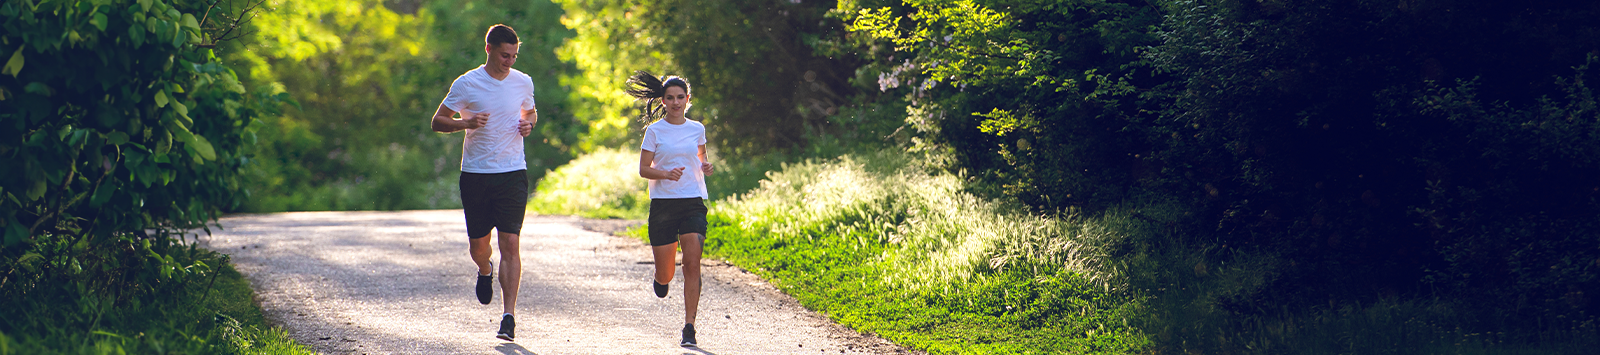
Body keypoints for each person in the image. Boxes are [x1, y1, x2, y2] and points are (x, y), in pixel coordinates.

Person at [429, 24, 537, 342]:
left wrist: (528, 124)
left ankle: (508, 317)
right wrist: (466, 123)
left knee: (511, 244)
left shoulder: (523, 81)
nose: (510, 62)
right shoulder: (467, 84)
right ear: (488, 49)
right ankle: (485, 269)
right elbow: (437, 121)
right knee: (479, 247)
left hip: (513, 173)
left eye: (515, 56)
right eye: (505, 55)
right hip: (476, 174)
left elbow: (530, 113)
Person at [627, 71, 713, 348]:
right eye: (670, 98)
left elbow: (701, 159)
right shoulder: (654, 131)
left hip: (692, 202)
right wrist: (665, 174)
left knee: (692, 262)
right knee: (667, 273)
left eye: (680, 98)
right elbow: (643, 170)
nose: (676, 102)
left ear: (688, 100)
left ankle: (689, 326)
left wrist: (707, 167)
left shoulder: (697, 129)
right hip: (663, 205)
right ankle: (660, 278)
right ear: (663, 101)